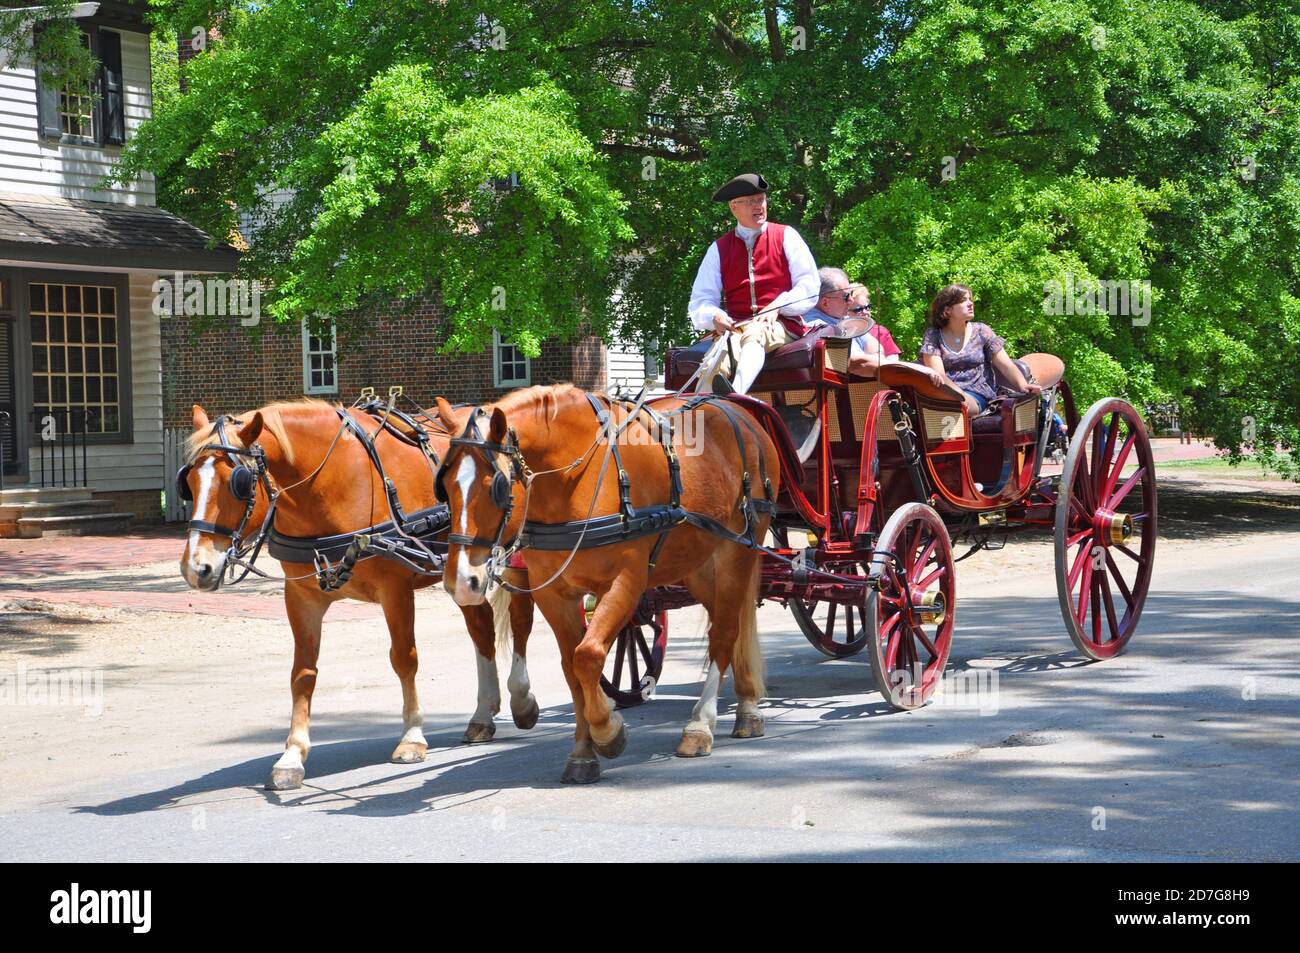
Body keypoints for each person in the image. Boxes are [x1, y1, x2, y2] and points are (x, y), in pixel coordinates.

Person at [687, 173, 819, 394]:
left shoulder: (787, 236)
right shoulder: (719, 248)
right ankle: (700, 415)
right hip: (736, 329)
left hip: (783, 325)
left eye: (761, 200)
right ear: (734, 207)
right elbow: (701, 300)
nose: (758, 206)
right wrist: (714, 316)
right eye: (750, 202)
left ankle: (736, 397)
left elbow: (809, 287)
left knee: (755, 332)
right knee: (715, 359)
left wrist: (779, 306)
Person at [804, 267, 945, 383]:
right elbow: (858, 363)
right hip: (843, 398)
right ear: (825, 302)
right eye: (846, 296)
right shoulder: (818, 326)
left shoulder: (841, 319)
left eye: (851, 294)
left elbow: (874, 346)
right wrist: (912, 369)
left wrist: (878, 360)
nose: (851, 300)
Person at [919, 284, 1040, 417]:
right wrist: (954, 395)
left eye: (970, 299)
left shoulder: (982, 331)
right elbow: (940, 375)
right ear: (947, 310)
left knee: (960, 405)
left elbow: (1006, 365)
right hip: (946, 394)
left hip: (977, 395)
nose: (970, 304)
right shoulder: (933, 335)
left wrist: (1023, 385)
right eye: (963, 300)